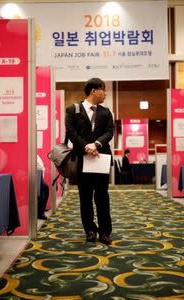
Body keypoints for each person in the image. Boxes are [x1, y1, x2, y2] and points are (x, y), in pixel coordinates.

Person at [65, 77, 114, 245]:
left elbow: (109, 132)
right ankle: (90, 230)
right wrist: (86, 146)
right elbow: (71, 133)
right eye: (103, 90)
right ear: (94, 90)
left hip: (101, 159)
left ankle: (105, 231)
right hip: (82, 159)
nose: (105, 93)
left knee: (102, 197)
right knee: (85, 197)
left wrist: (97, 144)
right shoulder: (73, 110)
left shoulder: (106, 112)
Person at [36, 154, 49, 220]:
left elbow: (40, 167)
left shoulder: (35, 154)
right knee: (43, 191)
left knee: (46, 189)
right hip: (34, 177)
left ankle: (41, 210)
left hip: (38, 177)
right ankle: (40, 212)